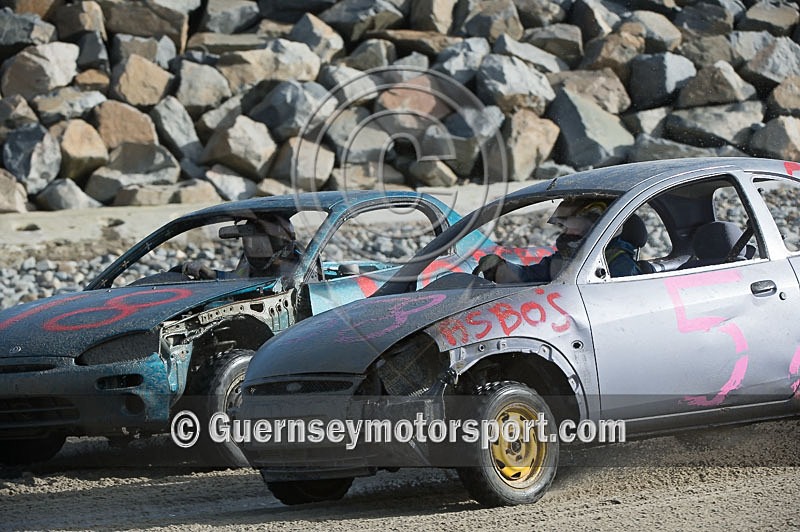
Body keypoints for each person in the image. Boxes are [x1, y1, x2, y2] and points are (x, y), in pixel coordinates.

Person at [474, 198, 642, 283]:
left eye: (572, 227)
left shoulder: (619, 263)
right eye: (564, 227)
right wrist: (499, 268)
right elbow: (528, 277)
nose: (566, 233)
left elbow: (620, 305)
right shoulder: (565, 258)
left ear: (595, 227)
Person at [182, 215, 301, 281]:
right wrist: (212, 274)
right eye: (249, 241)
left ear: (280, 243)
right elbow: (236, 280)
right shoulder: (247, 262)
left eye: (260, 243)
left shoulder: (301, 270)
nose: (254, 248)